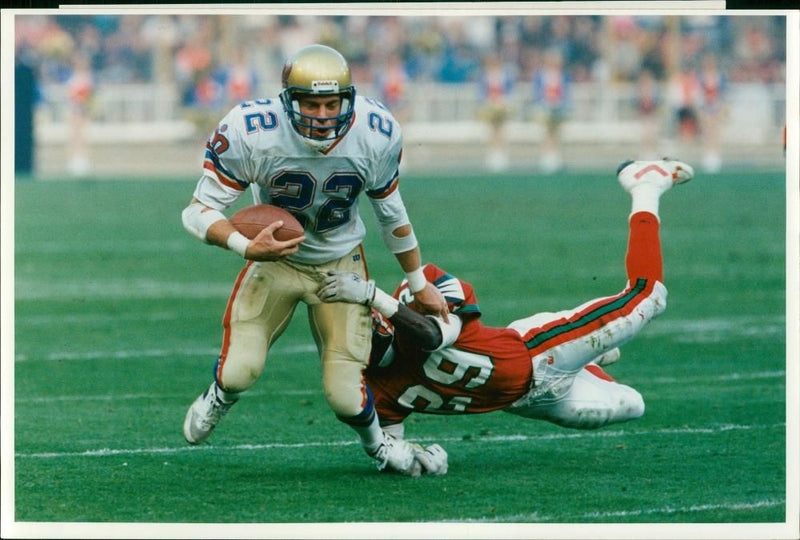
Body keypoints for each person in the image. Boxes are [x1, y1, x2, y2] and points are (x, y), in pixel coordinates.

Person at [318, 158, 694, 475]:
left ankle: (645, 186)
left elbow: (434, 336)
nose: (367, 338)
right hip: (526, 400)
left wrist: (373, 296)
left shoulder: (418, 293)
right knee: (633, 404)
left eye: (366, 326)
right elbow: (393, 446)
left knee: (647, 297)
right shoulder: (374, 386)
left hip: (540, 351)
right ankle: (592, 357)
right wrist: (415, 460)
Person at [180, 44, 447, 476]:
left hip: (340, 261)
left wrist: (418, 282)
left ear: (348, 100)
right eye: (311, 103)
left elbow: (391, 212)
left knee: (345, 393)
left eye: (331, 103)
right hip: (275, 261)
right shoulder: (252, 128)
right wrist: (247, 247)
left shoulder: (375, 130)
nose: (322, 115)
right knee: (239, 371)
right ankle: (219, 396)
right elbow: (197, 211)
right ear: (289, 100)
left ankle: (380, 447)